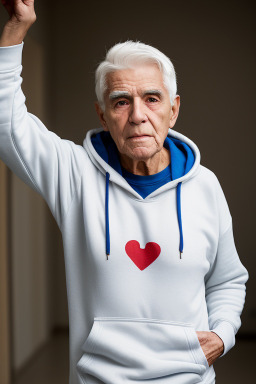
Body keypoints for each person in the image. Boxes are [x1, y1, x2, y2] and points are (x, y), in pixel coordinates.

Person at [0, 1, 249, 384]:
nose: (137, 115)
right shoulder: (75, 174)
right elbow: (8, 126)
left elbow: (227, 280)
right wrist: (17, 28)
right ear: (103, 114)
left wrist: (223, 334)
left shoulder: (205, 186)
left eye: (152, 99)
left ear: (173, 110)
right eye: (121, 102)